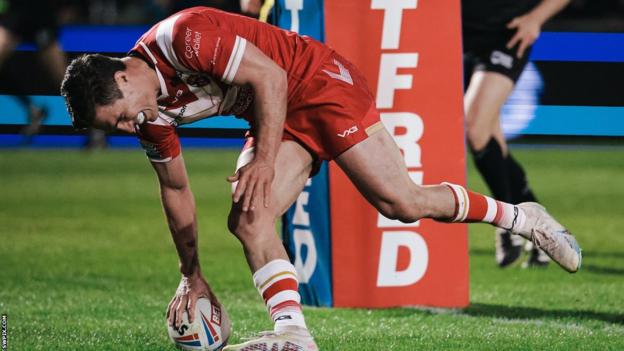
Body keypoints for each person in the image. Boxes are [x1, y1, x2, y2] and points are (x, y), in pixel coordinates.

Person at [60, 7, 581, 350]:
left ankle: (522, 217)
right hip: (275, 114)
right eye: (120, 129)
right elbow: (175, 190)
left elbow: (270, 76)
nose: (133, 128)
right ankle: (294, 335)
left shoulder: (183, 36)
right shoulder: (152, 116)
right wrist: (189, 273)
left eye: (123, 117)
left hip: (317, 81)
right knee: (249, 217)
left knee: (401, 203)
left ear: (124, 76)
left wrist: (263, 163)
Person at [462, 0, 570, 268]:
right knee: (487, 135)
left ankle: (510, 224)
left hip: (506, 33)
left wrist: (536, 17)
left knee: (475, 128)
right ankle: (541, 228)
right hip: (459, 36)